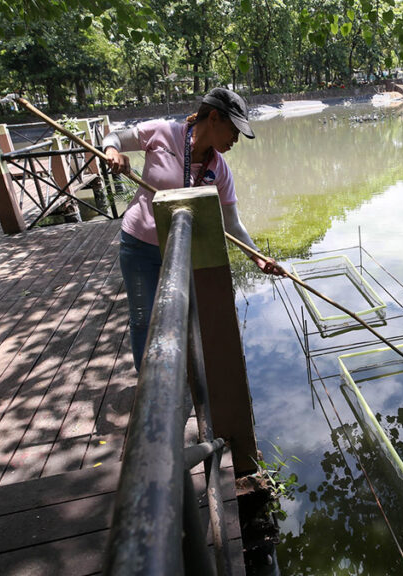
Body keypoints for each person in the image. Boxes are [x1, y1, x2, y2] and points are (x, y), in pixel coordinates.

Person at [103, 87, 285, 371]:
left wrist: (257, 257)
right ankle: (147, 384)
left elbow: (231, 223)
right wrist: (113, 151)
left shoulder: (220, 170)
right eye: (234, 130)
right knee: (144, 318)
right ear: (214, 118)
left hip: (183, 252)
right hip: (140, 245)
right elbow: (113, 137)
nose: (236, 139)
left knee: (184, 318)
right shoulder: (163, 132)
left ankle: (183, 379)